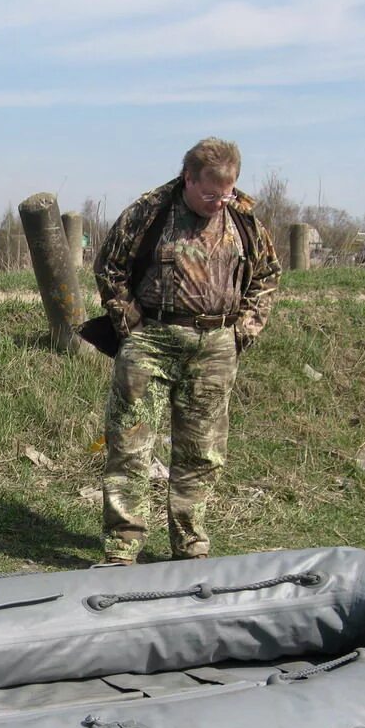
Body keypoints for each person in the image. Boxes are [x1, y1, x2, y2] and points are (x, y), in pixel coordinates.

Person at [92, 137, 281, 563]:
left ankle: (190, 546)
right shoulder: (150, 210)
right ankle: (122, 548)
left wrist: (242, 332)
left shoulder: (244, 219)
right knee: (131, 445)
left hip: (215, 347)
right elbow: (109, 265)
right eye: (209, 193)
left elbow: (267, 276)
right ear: (188, 179)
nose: (218, 202)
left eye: (226, 192)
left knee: (202, 452)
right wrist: (130, 323)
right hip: (153, 342)